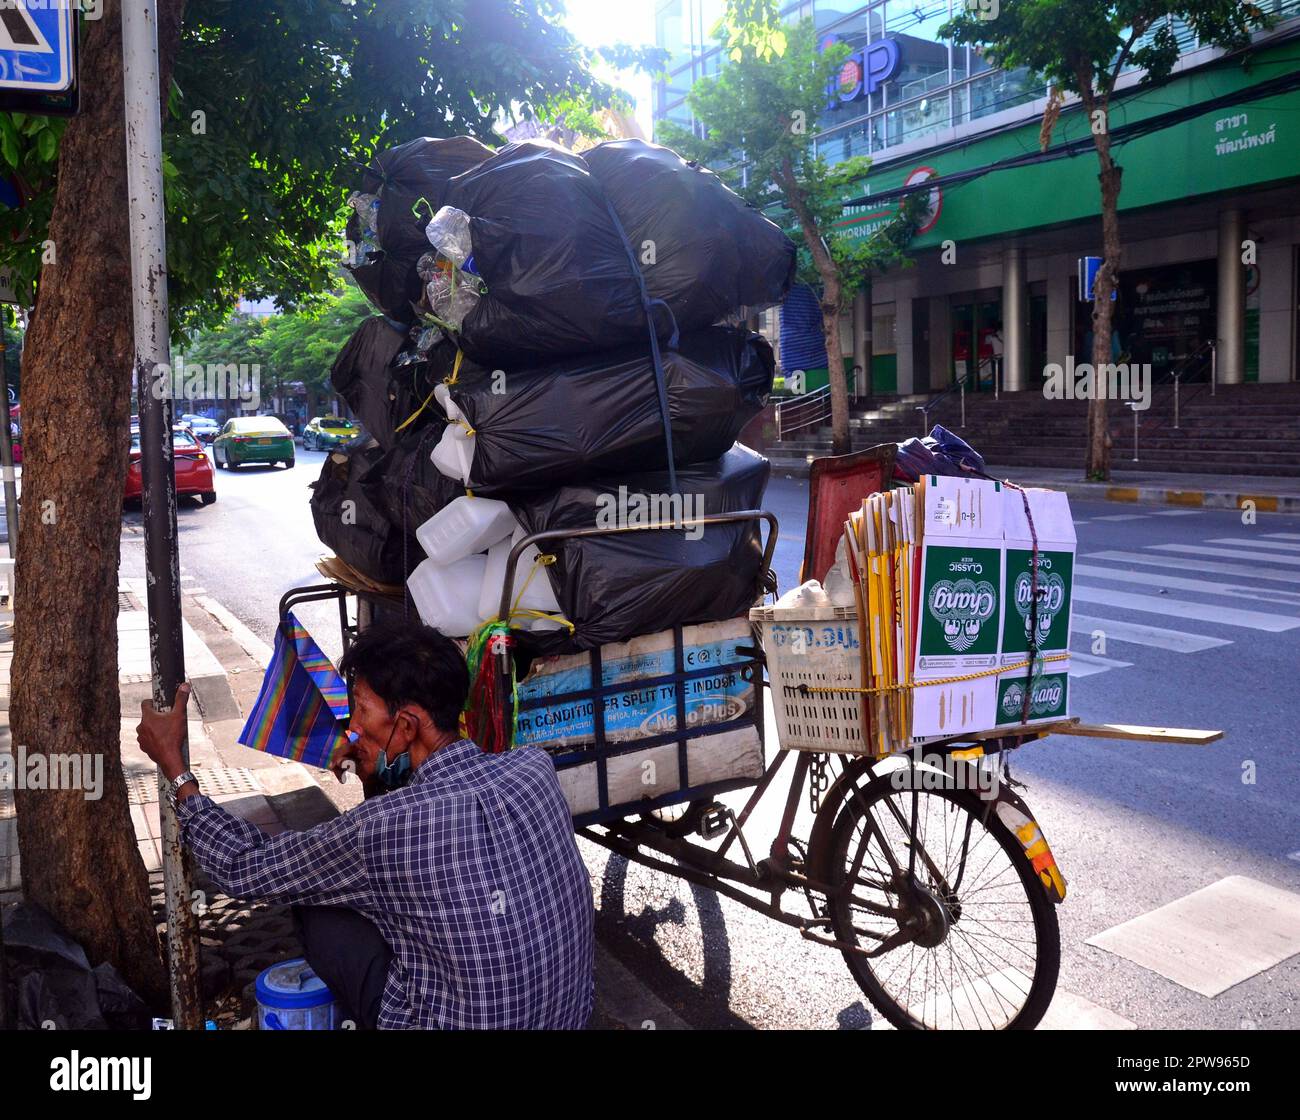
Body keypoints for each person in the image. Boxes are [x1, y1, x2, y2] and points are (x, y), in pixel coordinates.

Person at [136, 618, 594, 1030]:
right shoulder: (535, 769)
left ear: (408, 725)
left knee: (312, 900)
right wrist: (374, 771)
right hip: (568, 1016)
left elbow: (245, 867)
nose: (353, 726)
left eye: (361, 708)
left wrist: (176, 767)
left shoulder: (382, 829)